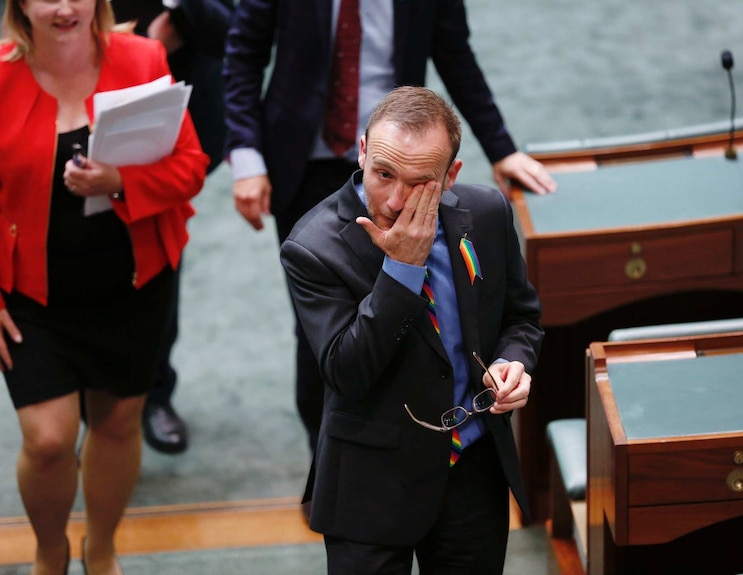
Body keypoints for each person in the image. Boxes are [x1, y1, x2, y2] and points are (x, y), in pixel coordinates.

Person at [223, 0, 557, 458]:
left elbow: (455, 54)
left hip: (407, 160)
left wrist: (501, 148)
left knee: (428, 298)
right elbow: (242, 54)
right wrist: (246, 156)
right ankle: (326, 460)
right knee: (323, 318)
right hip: (304, 158)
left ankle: (423, 445)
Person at [281, 86, 544, 574]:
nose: (396, 199)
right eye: (383, 174)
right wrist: (401, 269)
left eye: (420, 182)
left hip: (471, 468)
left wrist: (513, 362)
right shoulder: (313, 247)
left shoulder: (486, 215)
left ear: (450, 177)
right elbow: (347, 370)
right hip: (370, 482)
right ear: (362, 151)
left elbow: (520, 317)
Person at [0, 0, 208, 570]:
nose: (65, 7)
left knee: (117, 424)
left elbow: (190, 167)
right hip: (31, 295)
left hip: (131, 284)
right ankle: (50, 551)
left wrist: (120, 181)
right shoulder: (0, 76)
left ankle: (103, 547)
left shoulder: (142, 60)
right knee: (47, 441)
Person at [110, 0, 234, 454]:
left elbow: (230, 32)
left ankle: (154, 395)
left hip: (175, 129)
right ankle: (93, 405)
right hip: (79, 107)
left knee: (161, 255)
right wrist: (139, 52)